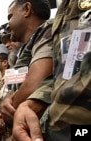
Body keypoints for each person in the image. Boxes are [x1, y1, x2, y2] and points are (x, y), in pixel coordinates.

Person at [11, 1, 91, 141]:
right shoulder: (66, 10)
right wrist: (30, 103)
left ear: (27, 9)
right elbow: (68, 71)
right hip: (57, 131)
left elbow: (34, 82)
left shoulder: (48, 27)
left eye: (9, 17)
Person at [0, 0, 53, 140]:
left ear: (27, 9)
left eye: (10, 17)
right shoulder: (26, 49)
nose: (8, 24)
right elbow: (13, 89)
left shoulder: (47, 30)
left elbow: (34, 85)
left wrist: (4, 110)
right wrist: (1, 109)